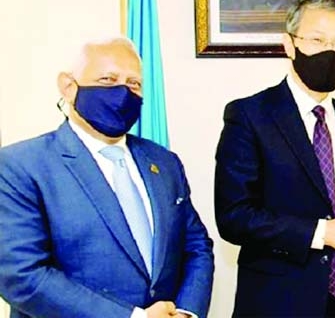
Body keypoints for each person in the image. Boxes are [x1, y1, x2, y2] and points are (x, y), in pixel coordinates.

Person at [215, 0, 335, 317]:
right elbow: (235, 217)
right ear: (289, 45)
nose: (329, 52)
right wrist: (323, 233)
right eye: (316, 40)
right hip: (282, 300)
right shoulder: (250, 115)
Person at [0, 37, 214, 318]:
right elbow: (21, 275)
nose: (123, 92)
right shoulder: (20, 165)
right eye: (107, 79)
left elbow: (196, 246)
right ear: (68, 86)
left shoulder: (163, 162)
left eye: (133, 83)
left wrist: (187, 312)